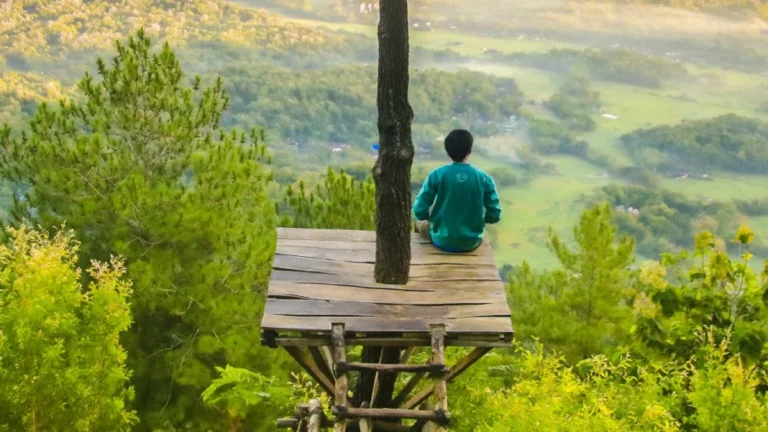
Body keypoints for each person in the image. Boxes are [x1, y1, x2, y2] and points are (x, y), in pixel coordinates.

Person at [413, 129, 502, 252]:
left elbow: (419, 210)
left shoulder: (437, 175)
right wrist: (479, 220)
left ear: (447, 151)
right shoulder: (484, 178)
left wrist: (430, 220)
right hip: (472, 242)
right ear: (470, 150)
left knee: (418, 224)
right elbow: (494, 214)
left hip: (441, 240)